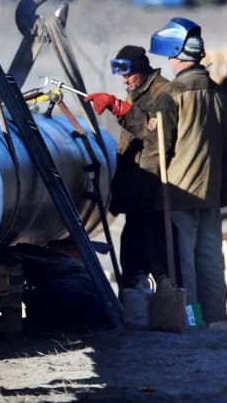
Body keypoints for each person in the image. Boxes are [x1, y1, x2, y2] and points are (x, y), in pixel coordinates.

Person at [147, 17, 227, 325]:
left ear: (177, 55)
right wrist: (221, 191)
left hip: (178, 194)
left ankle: (192, 320)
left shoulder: (170, 95)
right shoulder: (220, 94)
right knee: (210, 260)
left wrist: (147, 188)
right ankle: (216, 319)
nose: (169, 63)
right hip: (210, 193)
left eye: (169, 57)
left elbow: (159, 149)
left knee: (183, 264)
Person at [84, 45, 170, 288]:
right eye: (121, 74)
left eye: (128, 73)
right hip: (137, 190)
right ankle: (135, 300)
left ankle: (172, 305)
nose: (124, 80)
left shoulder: (163, 93)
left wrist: (121, 109)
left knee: (160, 258)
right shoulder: (137, 92)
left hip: (154, 190)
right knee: (131, 255)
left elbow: (156, 136)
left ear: (142, 69)